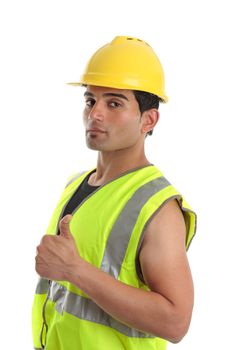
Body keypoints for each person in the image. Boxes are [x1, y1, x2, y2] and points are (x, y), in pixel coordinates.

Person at [32, 36, 197, 350]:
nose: (95, 114)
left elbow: (176, 323)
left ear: (148, 119)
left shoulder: (157, 207)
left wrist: (74, 270)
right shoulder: (75, 185)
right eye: (90, 100)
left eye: (114, 103)